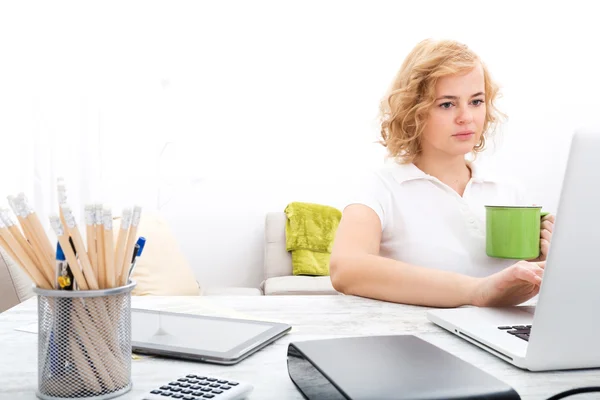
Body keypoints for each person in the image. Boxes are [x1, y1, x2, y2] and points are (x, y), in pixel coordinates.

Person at [329, 39, 555, 308]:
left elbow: (521, 291)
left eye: (476, 101)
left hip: (502, 341)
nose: (466, 117)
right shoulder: (381, 186)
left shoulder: (508, 190)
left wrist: (546, 264)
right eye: (447, 104)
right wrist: (477, 291)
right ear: (414, 111)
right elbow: (346, 269)